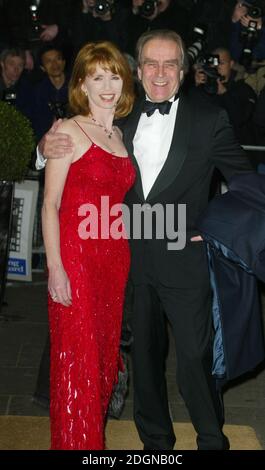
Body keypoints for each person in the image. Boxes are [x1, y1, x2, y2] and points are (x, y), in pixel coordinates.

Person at [37, 30, 252, 450]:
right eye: (151, 64)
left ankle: (211, 438)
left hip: (183, 257)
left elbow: (244, 184)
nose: (159, 72)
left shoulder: (210, 120)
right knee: (144, 361)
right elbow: (74, 150)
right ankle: (155, 444)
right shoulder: (121, 119)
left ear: (183, 72)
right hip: (128, 261)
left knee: (194, 357)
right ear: (138, 70)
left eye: (169, 64)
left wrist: (211, 226)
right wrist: (45, 148)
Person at [41, 40, 135, 450]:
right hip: (76, 260)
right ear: (82, 82)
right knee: (77, 366)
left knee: (101, 365)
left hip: (114, 261)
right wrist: (56, 269)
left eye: (113, 75)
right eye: (97, 77)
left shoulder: (120, 134)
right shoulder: (67, 130)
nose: (107, 85)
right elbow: (50, 204)